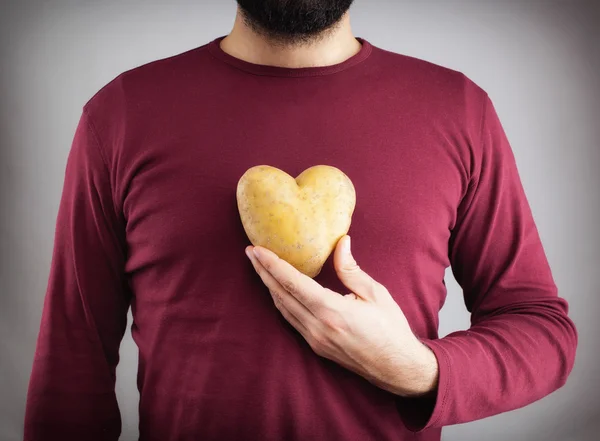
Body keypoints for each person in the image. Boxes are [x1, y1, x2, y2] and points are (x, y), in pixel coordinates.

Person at [23, 1, 578, 440]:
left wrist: (419, 371)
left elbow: (541, 329)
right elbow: (73, 362)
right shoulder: (121, 113)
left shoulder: (458, 109)